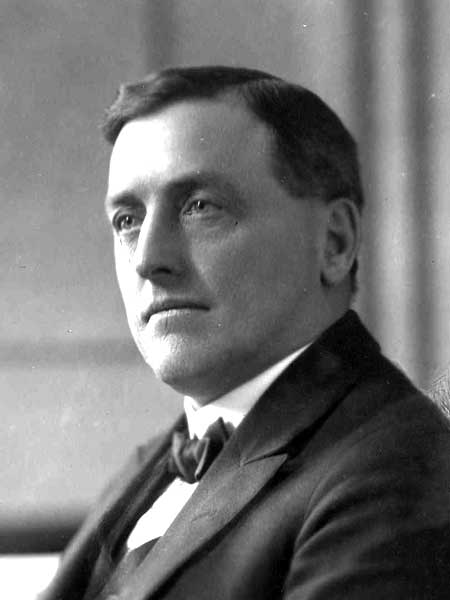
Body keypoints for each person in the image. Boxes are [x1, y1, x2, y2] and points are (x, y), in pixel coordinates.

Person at [41, 66, 450, 600]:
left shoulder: (396, 465)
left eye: (200, 207)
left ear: (334, 242)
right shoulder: (149, 463)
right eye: (127, 220)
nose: (147, 259)